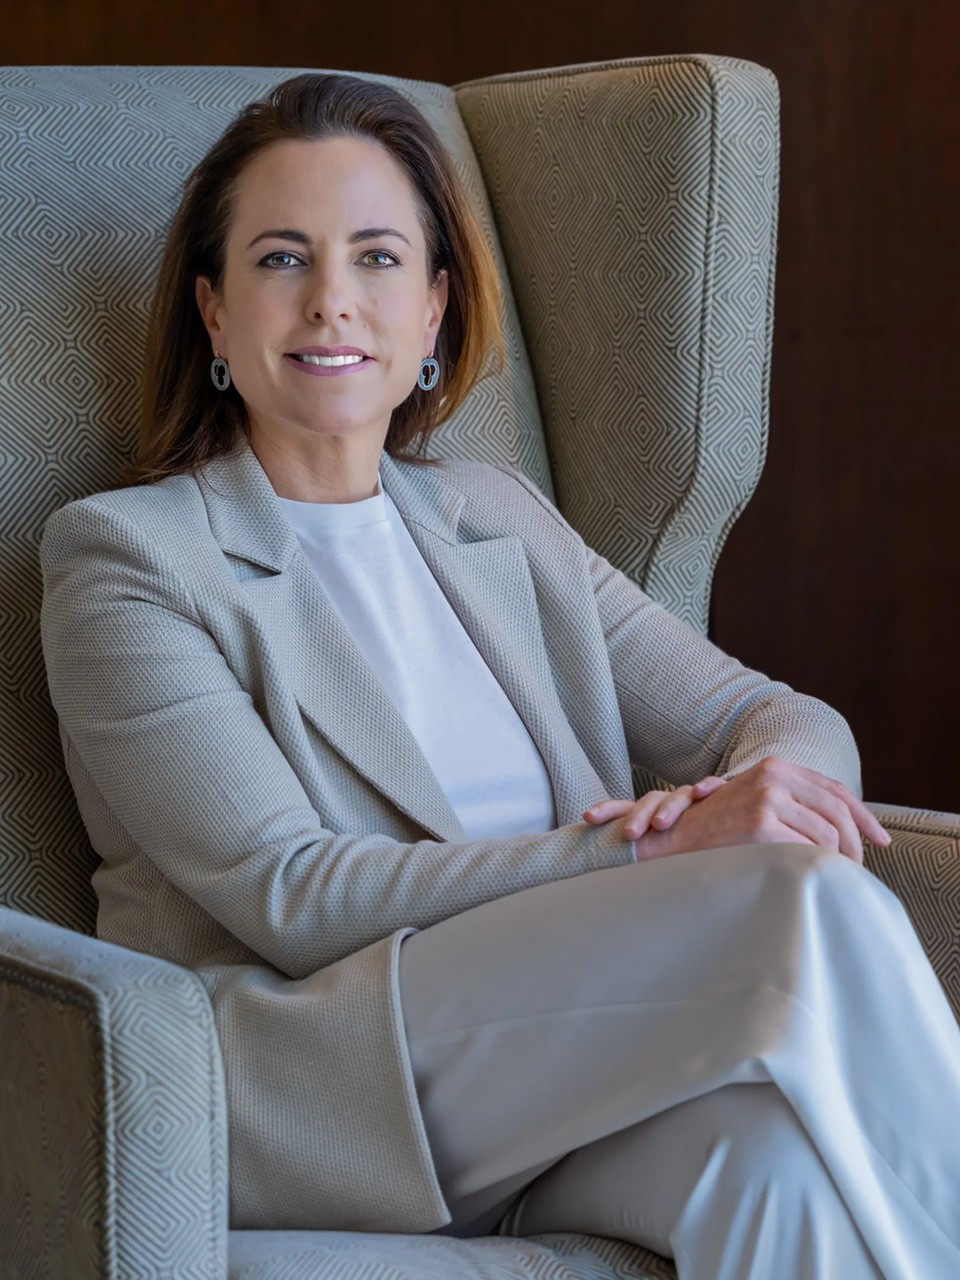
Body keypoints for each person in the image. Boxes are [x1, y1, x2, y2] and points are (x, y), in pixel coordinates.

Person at [39, 72, 960, 1280]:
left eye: (376, 258)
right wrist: (647, 849)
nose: (330, 302)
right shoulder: (128, 558)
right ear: (214, 314)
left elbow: (775, 715)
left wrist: (761, 793)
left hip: (553, 1073)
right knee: (796, 903)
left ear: (432, 312)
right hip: (318, 1083)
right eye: (280, 259)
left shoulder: (496, 519)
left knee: (772, 1165)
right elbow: (292, 893)